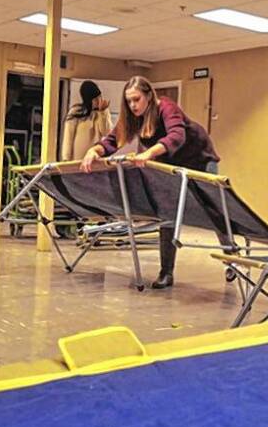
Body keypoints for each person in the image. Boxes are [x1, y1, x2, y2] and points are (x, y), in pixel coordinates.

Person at [80, 76, 221, 289]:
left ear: (148, 96)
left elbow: (177, 136)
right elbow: (112, 141)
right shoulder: (133, 118)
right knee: (167, 214)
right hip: (170, 164)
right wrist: (93, 151)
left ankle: (232, 260)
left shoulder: (166, 108)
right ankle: (167, 273)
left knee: (217, 210)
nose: (133, 105)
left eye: (137, 99)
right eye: (129, 101)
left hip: (200, 159)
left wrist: (149, 153)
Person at [61, 81, 112, 161]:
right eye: (95, 99)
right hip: (77, 160)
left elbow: (106, 132)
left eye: (100, 97)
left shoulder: (103, 112)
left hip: (96, 160)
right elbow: (68, 136)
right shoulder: (76, 111)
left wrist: (102, 113)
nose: (98, 101)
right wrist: (66, 158)